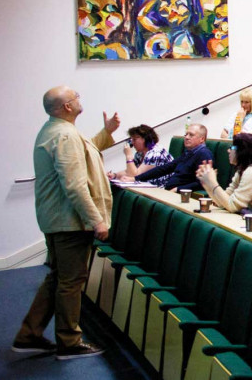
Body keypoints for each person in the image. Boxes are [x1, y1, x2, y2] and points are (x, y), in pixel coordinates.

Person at [12, 86, 119, 359]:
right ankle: (69, 342)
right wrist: (96, 220)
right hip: (70, 221)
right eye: (76, 97)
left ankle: (29, 335)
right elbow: (74, 185)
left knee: (58, 278)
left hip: (57, 218)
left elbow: (87, 152)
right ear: (68, 107)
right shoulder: (65, 135)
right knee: (71, 281)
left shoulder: (56, 130)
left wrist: (106, 133)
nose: (80, 98)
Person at [196, 133, 252, 218]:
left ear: (243, 151)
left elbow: (233, 206)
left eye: (232, 147)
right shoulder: (243, 170)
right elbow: (222, 202)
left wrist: (212, 182)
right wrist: (206, 183)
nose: (228, 150)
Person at [133, 123, 213, 191]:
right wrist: (136, 179)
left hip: (183, 195)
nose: (186, 137)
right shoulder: (188, 153)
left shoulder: (204, 154)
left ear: (202, 139)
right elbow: (165, 168)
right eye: (186, 134)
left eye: (191, 135)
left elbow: (203, 183)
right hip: (171, 191)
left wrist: (178, 189)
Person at [109, 124, 173, 187]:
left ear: (145, 139)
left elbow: (134, 175)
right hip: (149, 186)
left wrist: (128, 156)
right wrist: (115, 175)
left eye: (134, 139)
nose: (132, 143)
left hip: (164, 188)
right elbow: (130, 171)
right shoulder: (139, 154)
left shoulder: (155, 153)